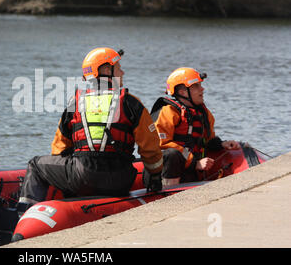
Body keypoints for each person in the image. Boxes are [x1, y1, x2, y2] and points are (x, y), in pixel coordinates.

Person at [17, 47, 164, 212]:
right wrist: (155, 175)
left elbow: (59, 148)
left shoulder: (75, 103)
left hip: (83, 176)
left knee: (35, 165)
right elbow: (150, 148)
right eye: (119, 68)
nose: (122, 72)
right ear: (107, 70)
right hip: (121, 179)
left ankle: (24, 214)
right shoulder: (131, 103)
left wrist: (67, 177)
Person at [147, 67, 240, 188]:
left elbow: (207, 140)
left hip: (190, 170)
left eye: (200, 85)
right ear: (183, 92)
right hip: (163, 174)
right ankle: (168, 195)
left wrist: (222, 144)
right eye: (196, 86)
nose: (202, 89)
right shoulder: (168, 112)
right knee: (171, 154)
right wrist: (194, 163)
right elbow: (161, 145)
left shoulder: (203, 113)